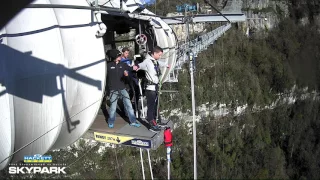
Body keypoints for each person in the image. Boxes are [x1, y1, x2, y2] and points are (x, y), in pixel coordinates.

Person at [136, 46, 170, 132]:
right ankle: (151, 123)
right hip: (150, 88)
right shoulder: (147, 62)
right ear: (154, 53)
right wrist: (136, 66)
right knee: (151, 106)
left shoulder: (155, 61)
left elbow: (160, 63)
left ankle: (156, 120)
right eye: (159, 55)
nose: (160, 57)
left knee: (155, 104)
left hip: (155, 87)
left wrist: (166, 65)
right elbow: (140, 65)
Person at [106, 49, 140, 128]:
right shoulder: (108, 66)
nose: (120, 56)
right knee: (113, 108)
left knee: (129, 105)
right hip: (113, 89)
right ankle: (111, 121)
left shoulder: (123, 64)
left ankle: (133, 121)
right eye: (118, 55)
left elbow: (132, 68)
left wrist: (137, 66)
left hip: (122, 88)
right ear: (114, 57)